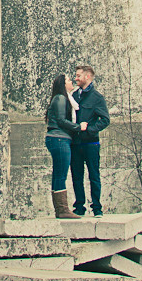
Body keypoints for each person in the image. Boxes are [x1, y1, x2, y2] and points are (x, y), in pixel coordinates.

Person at [69, 64, 110, 217]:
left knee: (94, 175)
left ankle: (97, 208)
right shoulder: (73, 96)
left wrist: (90, 129)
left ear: (87, 77)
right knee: (76, 176)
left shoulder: (97, 98)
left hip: (91, 143)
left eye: (78, 76)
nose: (76, 78)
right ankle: (79, 207)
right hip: (75, 143)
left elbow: (105, 120)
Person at [44, 73, 86, 219]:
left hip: (57, 139)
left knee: (58, 174)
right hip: (60, 139)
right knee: (61, 174)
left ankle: (60, 209)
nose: (71, 81)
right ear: (63, 84)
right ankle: (62, 210)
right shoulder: (61, 98)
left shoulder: (60, 98)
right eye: (68, 80)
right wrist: (78, 127)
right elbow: (61, 120)